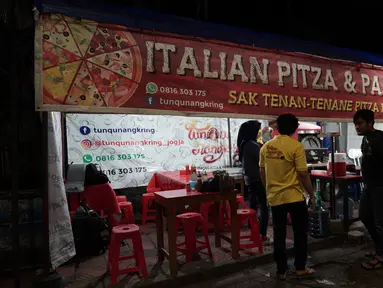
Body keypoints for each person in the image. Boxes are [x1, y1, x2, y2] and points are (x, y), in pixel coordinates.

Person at [259, 113, 315, 280]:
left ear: (277, 127)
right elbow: (303, 174)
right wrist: (311, 194)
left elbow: (262, 172)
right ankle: (300, 268)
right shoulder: (296, 146)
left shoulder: (265, 147)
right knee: (300, 233)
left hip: (275, 198)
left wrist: (269, 190)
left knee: (279, 234)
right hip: (295, 197)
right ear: (294, 129)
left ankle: (281, 271)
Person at [353, 109, 383, 270]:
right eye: (355, 124)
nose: (357, 127)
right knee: (365, 216)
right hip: (369, 185)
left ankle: (381, 255)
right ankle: (379, 248)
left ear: (370, 122)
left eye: (360, 123)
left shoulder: (380, 138)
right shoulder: (365, 139)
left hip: (380, 186)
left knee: (380, 222)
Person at [237, 120, 270, 243]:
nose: (258, 134)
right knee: (264, 207)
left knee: (254, 206)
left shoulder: (244, 144)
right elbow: (263, 162)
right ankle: (262, 235)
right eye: (257, 131)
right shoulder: (252, 145)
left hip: (249, 180)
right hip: (258, 180)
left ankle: (254, 233)